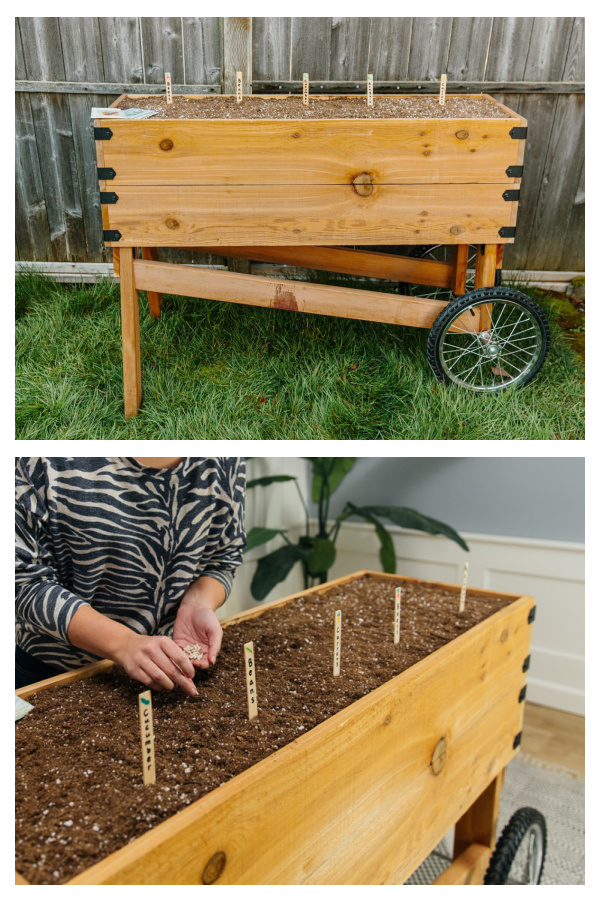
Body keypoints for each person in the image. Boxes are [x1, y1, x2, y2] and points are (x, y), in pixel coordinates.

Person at [15, 457, 246, 694]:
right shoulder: (42, 460)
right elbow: (23, 582)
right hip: (58, 674)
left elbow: (224, 557)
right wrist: (124, 643)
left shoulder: (225, 459)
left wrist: (200, 602)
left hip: (175, 668)